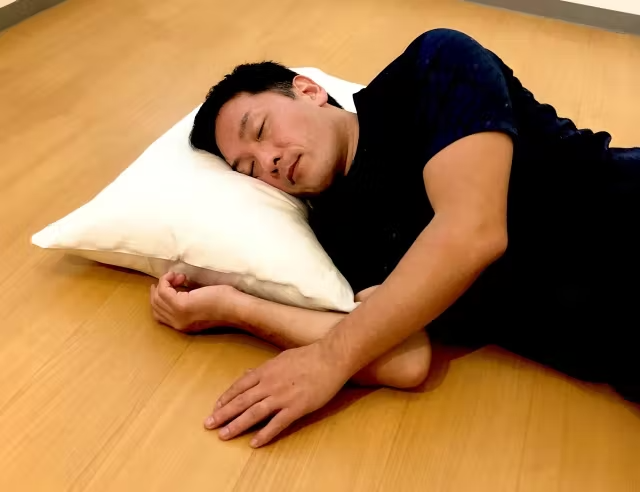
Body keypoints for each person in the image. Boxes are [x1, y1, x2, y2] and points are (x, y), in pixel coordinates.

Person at [151, 28, 640, 448]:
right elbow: (403, 358)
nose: (269, 161)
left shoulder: (431, 68)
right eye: (249, 169)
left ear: (309, 90)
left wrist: (329, 359)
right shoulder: (334, 232)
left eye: (261, 130)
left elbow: (473, 231)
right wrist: (234, 306)